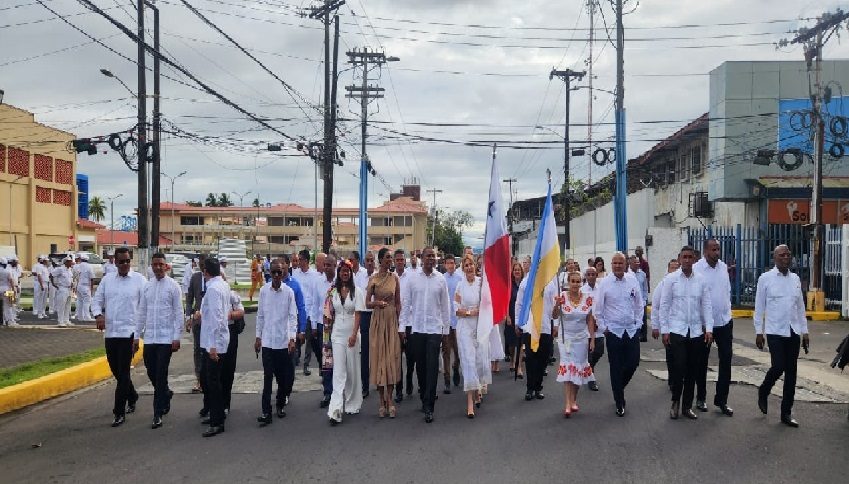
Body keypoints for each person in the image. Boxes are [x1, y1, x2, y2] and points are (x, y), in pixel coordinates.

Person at [754, 244, 808, 428]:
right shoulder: (766, 279)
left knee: (791, 372)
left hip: (793, 330)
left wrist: (805, 331)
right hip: (775, 330)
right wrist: (758, 332)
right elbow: (759, 307)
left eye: (789, 255)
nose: (786, 258)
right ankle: (764, 389)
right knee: (778, 366)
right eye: (782, 255)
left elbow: (800, 307)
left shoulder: (795, 279)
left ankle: (786, 412)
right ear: (775, 258)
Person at [92, 247, 146, 427]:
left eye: (127, 261)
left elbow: (144, 307)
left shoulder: (139, 281)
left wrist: (138, 335)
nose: (125, 264)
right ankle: (132, 395)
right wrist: (98, 315)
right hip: (111, 333)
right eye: (121, 261)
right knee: (115, 370)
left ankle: (119, 412)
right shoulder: (107, 280)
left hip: (129, 333)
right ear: (115, 262)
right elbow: (97, 300)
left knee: (123, 372)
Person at [659, 246, 714, 420]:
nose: (687, 260)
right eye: (684, 257)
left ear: (695, 259)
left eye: (690, 257)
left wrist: (709, 328)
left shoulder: (701, 280)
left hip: (696, 331)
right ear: (679, 258)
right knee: (679, 368)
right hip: (677, 330)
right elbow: (664, 305)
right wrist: (664, 330)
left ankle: (687, 406)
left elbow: (706, 305)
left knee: (693, 370)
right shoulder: (671, 280)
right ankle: (675, 401)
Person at [400, 247, 451, 423]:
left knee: (432, 368)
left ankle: (429, 405)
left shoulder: (441, 280)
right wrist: (402, 328)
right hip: (417, 330)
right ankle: (423, 396)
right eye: (428, 256)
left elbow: (445, 307)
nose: (431, 259)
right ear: (421, 258)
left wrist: (445, 331)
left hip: (435, 330)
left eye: (433, 256)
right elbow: (406, 305)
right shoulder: (413, 280)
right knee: (420, 367)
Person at [133, 252, 182, 429]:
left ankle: (157, 412)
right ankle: (166, 394)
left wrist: (177, 337)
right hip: (150, 338)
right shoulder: (147, 287)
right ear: (152, 267)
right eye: (155, 265)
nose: (158, 267)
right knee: (151, 372)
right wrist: (136, 336)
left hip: (166, 338)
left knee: (161, 374)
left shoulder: (173, 286)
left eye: (161, 264)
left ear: (166, 266)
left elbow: (178, 313)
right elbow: (141, 313)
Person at [593, 252, 644, 417]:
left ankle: (618, 387)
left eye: (620, 263)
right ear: (611, 264)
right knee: (615, 366)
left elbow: (639, 304)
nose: (617, 266)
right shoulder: (605, 283)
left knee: (633, 362)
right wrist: (603, 327)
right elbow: (598, 309)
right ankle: (619, 401)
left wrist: (638, 323)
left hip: (630, 330)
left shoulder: (632, 280)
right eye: (614, 263)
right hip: (613, 331)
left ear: (625, 264)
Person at [693, 238, 735, 416]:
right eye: (713, 250)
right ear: (705, 251)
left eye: (718, 250)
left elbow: (727, 292)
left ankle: (722, 400)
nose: (716, 253)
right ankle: (701, 397)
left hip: (724, 322)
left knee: (726, 360)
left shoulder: (723, 267)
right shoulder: (696, 270)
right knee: (701, 362)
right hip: (704, 325)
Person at [255, 260, 298, 427]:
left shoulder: (288, 292)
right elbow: (260, 316)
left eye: (279, 273)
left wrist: (292, 338)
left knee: (283, 379)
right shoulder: (264, 291)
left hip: (282, 342)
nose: (276, 276)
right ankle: (266, 412)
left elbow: (293, 317)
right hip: (267, 342)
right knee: (267, 378)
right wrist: (258, 337)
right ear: (270, 273)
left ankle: (280, 404)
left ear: (284, 273)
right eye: (273, 272)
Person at [550, 271, 596, 418]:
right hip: (566, 339)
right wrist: (556, 305)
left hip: (581, 339)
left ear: (581, 283)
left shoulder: (587, 299)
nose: (575, 284)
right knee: (569, 369)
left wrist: (592, 339)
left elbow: (589, 319)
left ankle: (574, 399)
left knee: (579, 369)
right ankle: (568, 403)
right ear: (568, 283)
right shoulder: (562, 297)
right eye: (573, 281)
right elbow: (554, 316)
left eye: (578, 282)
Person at [325, 259, 366, 424]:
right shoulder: (332, 291)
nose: (344, 273)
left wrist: (354, 334)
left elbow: (358, 314)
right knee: (339, 372)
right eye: (342, 271)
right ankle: (335, 409)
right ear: (339, 273)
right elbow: (328, 313)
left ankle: (352, 402)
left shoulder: (357, 292)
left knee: (352, 370)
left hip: (352, 334)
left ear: (350, 273)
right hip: (337, 335)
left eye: (347, 271)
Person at [366, 248, 402, 418]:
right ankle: (381, 400)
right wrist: (377, 303)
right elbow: (366, 303)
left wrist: (399, 323)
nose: (390, 260)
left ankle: (390, 399)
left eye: (391, 258)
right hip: (378, 321)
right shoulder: (373, 279)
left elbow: (398, 303)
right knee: (379, 359)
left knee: (391, 359)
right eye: (387, 257)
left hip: (391, 321)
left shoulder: (395, 278)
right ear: (380, 260)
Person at [454, 255, 490, 418]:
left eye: (471, 264)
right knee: (468, 361)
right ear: (463, 268)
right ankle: (470, 402)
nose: (469, 267)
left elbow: (488, 304)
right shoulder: (459, 286)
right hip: (464, 328)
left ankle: (477, 390)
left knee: (480, 362)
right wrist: (470, 312)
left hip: (480, 327)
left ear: (475, 266)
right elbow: (457, 309)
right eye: (466, 265)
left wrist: (482, 310)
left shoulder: (482, 284)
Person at [197, 258, 230, 437]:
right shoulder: (222, 285)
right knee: (210, 381)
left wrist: (213, 346)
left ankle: (217, 421)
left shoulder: (213, 288)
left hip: (214, 343)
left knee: (214, 383)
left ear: (206, 272)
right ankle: (215, 415)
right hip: (214, 341)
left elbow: (217, 317)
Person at [277, 255, 308, 403]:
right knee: (277, 366)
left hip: (291, 330)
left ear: (287, 265)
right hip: (276, 332)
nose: (280, 267)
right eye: (278, 264)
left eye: (283, 263)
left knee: (290, 364)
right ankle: (281, 390)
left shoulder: (294, 285)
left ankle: (286, 391)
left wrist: (302, 330)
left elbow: (301, 307)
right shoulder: (271, 284)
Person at [650, 259, 680, 392]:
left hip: (681, 326)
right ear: (667, 270)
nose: (674, 270)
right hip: (667, 326)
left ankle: (680, 379)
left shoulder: (682, 283)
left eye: (676, 267)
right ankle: (673, 380)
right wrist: (655, 326)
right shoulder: (662, 285)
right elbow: (656, 307)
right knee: (671, 354)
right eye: (672, 268)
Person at [312, 254, 337, 408]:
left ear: (335, 266)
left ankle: (339, 391)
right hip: (324, 326)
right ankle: (328, 392)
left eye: (330, 265)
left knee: (340, 359)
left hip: (339, 326)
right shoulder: (318, 283)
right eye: (325, 264)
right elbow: (314, 305)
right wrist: (314, 326)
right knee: (327, 360)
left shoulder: (341, 282)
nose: (327, 267)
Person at [393, 249, 416, 404]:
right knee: (397, 358)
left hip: (409, 322)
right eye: (398, 260)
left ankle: (409, 380)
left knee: (410, 357)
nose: (400, 262)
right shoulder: (391, 277)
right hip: (395, 322)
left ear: (405, 261)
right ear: (394, 261)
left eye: (402, 259)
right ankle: (399, 389)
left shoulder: (412, 277)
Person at [292, 249, 317, 373]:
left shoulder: (314, 274)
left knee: (309, 340)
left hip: (309, 311)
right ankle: (295, 357)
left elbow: (314, 295)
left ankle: (306, 364)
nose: (298, 262)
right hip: (297, 310)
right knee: (297, 336)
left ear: (306, 261)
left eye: (300, 259)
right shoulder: (295, 274)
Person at [351, 251, 372, 398]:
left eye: (352, 260)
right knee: (362, 352)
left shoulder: (370, 275)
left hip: (372, 314)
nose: (369, 263)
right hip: (357, 315)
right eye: (368, 260)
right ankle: (364, 385)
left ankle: (378, 381)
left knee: (374, 351)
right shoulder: (349, 276)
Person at [441, 254, 463, 394]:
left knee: (458, 351)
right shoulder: (441, 279)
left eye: (452, 263)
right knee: (446, 352)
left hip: (458, 321)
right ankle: (447, 379)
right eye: (448, 263)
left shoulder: (460, 279)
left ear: (455, 264)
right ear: (444, 264)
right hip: (445, 321)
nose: (450, 265)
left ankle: (456, 367)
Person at [185, 255, 207, 394]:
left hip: (212, 322)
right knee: (198, 350)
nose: (203, 267)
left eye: (206, 265)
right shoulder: (195, 278)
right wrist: (188, 317)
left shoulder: (216, 278)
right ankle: (199, 380)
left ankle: (210, 378)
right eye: (202, 264)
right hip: (198, 321)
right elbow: (189, 300)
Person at [582, 266, 603, 391]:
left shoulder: (601, 289)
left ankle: (590, 368)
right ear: (586, 276)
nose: (590, 276)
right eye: (588, 274)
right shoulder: (582, 291)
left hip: (599, 326)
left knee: (599, 351)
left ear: (596, 276)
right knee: (589, 354)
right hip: (586, 327)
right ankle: (591, 378)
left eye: (593, 274)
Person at [506, 261, 523, 376]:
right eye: (515, 270)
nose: (517, 271)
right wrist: (507, 316)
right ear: (512, 272)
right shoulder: (509, 285)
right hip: (511, 315)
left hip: (522, 316)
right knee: (512, 343)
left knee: (521, 342)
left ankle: (519, 366)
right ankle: (512, 360)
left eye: (518, 270)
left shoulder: (525, 283)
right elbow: (506, 302)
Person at [628, 255, 649, 342]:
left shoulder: (642, 274)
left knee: (643, 318)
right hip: (632, 301)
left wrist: (644, 299)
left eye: (638, 262)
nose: (637, 264)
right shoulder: (627, 274)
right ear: (630, 263)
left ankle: (643, 336)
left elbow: (645, 288)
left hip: (641, 300)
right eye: (635, 262)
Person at [53, 255, 75, 327]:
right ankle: (60, 321)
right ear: (65, 262)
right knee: (61, 305)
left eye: (71, 262)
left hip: (69, 289)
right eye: (69, 262)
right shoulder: (60, 269)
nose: (71, 263)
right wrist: (54, 284)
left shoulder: (69, 270)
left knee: (68, 306)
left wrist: (72, 284)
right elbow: (52, 275)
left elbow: (71, 279)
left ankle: (66, 320)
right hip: (62, 288)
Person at [74, 253, 95, 322]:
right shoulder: (89, 266)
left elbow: (75, 276)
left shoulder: (77, 266)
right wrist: (91, 289)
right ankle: (87, 317)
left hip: (79, 285)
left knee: (80, 302)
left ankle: (80, 317)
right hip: (85, 286)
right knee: (86, 302)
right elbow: (92, 278)